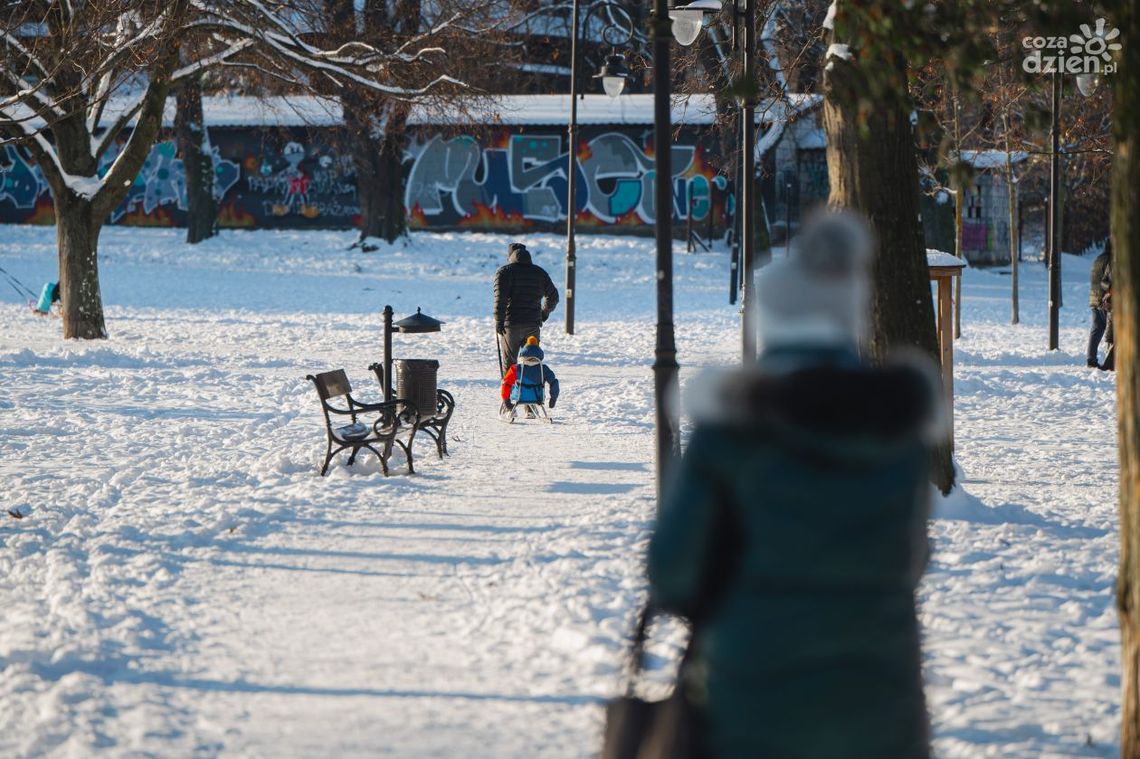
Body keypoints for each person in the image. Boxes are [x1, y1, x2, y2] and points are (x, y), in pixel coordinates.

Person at [647, 211, 940, 759]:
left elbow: (672, 573)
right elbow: (912, 560)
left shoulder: (730, 432)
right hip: (880, 711)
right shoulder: (899, 433)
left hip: (750, 706)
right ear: (849, 319)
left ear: (769, 324)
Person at [493, 242, 559, 373]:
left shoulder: (504, 273)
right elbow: (553, 297)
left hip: (511, 326)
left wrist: (499, 320)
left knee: (510, 365)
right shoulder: (540, 273)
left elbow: (500, 300)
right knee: (532, 363)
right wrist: (544, 313)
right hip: (532, 325)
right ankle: (532, 391)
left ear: (510, 256)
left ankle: (510, 392)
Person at [499, 336, 560, 417]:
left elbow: (506, 383)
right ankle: (531, 410)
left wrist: (506, 400)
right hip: (538, 397)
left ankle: (510, 410)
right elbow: (554, 382)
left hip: (518, 396)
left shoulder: (516, 368)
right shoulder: (544, 368)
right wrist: (553, 398)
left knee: (510, 383)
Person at [1086, 239, 1112, 368]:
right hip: (1104, 300)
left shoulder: (1098, 259)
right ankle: (1110, 361)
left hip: (1093, 298)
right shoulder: (1111, 261)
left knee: (1096, 329)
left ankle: (1091, 359)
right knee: (1109, 330)